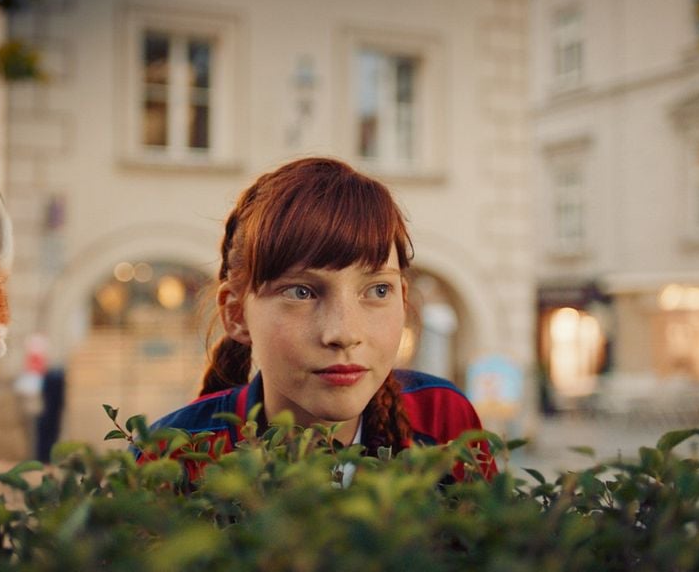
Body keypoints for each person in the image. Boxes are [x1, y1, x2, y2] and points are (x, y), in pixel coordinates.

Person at [143, 157, 496, 480]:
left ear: (403, 299)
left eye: (377, 290)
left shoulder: (442, 419)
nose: (343, 333)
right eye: (301, 292)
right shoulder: (172, 459)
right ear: (237, 315)